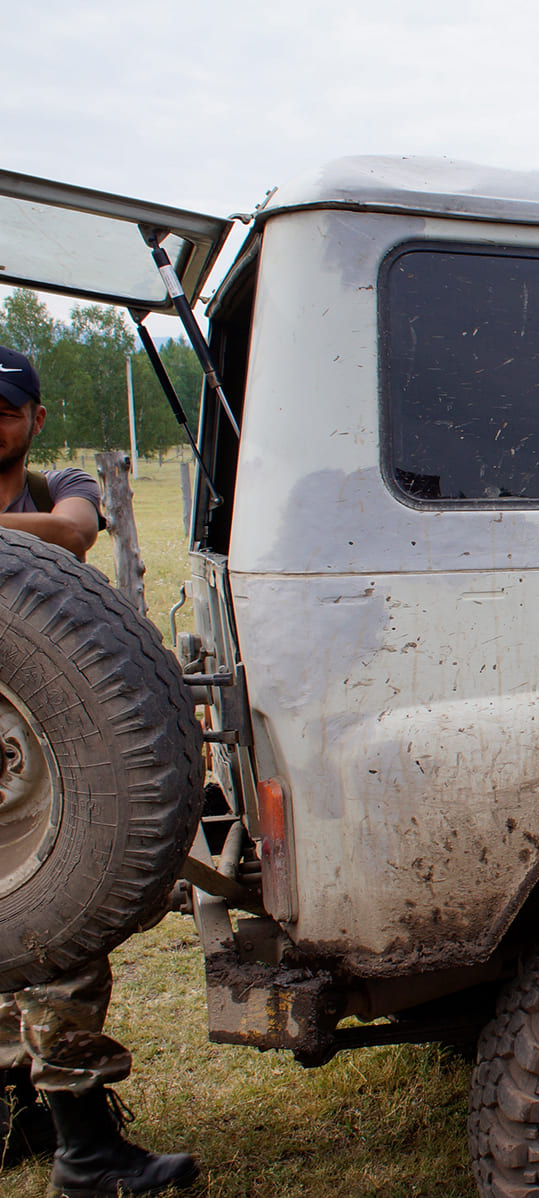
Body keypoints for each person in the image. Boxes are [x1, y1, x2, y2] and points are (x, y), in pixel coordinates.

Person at [0, 343, 197, 1195]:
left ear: (35, 419)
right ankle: (69, 1144)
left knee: (54, 946)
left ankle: (76, 1142)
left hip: (39, 760)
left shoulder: (57, 487)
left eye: (5, 409)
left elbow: (76, 534)